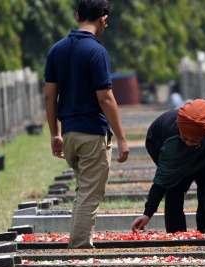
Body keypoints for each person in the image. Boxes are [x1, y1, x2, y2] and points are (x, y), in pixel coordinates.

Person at [45, 0, 129, 248]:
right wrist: (122, 137)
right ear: (103, 18)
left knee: (84, 191)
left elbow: (50, 95)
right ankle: (79, 247)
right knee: (90, 195)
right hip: (92, 134)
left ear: (76, 15)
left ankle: (81, 239)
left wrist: (54, 134)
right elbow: (105, 97)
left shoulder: (56, 50)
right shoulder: (96, 52)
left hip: (70, 134)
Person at [131, 99, 205, 233]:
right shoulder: (171, 146)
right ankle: (176, 234)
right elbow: (161, 181)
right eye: (185, 138)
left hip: (204, 154)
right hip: (158, 141)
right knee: (175, 188)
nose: (188, 143)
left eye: (193, 140)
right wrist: (147, 213)